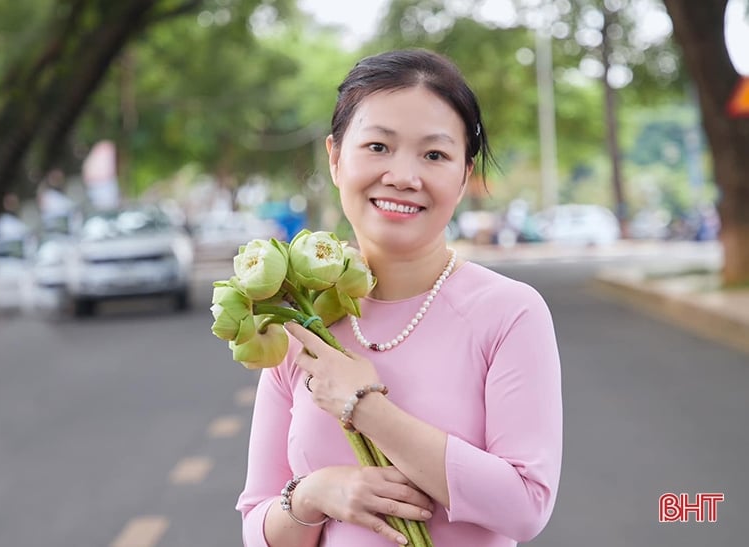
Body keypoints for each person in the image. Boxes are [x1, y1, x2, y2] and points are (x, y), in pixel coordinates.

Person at [236, 48, 562, 547]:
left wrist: (365, 408)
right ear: (335, 158)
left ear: (463, 175)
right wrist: (316, 492)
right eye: (378, 147)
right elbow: (257, 525)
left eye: (434, 155)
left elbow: (526, 506)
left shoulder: (509, 313)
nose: (404, 176)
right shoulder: (299, 313)